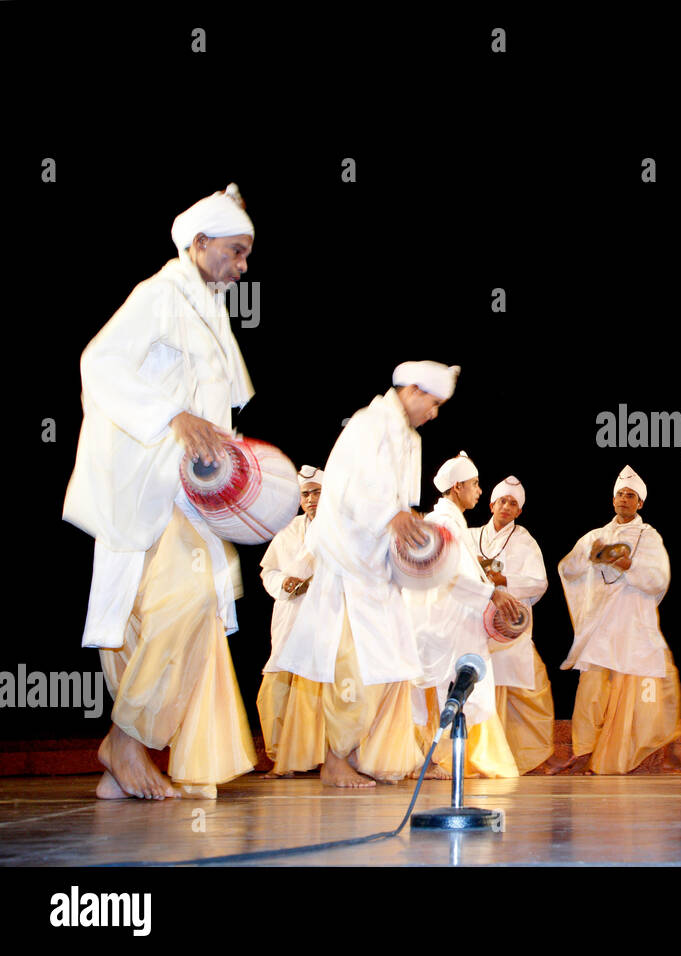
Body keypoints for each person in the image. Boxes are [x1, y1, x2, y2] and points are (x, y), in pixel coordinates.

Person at [63, 183, 259, 800]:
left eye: (246, 254)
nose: (242, 266)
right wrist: (171, 417)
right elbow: (99, 363)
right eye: (235, 251)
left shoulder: (208, 311)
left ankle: (127, 754)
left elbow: (214, 410)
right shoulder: (158, 295)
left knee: (153, 618)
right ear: (199, 244)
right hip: (145, 484)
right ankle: (126, 740)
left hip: (184, 492)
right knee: (185, 601)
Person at [265, 361, 458, 787]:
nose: (434, 413)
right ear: (411, 389)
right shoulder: (369, 425)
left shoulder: (407, 439)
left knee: (386, 667)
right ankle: (335, 761)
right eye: (434, 402)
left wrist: (407, 527)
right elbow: (352, 486)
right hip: (348, 569)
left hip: (377, 572)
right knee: (353, 665)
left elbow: (399, 503)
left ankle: (356, 755)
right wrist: (394, 515)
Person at [551, 466, 681, 774]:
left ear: (640, 503)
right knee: (591, 691)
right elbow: (566, 569)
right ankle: (584, 752)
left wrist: (628, 565)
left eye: (631, 495)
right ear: (613, 500)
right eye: (620, 494)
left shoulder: (648, 537)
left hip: (635, 624)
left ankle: (661, 746)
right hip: (601, 626)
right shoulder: (594, 536)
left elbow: (659, 579)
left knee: (657, 683)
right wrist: (588, 555)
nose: (624, 499)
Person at [406, 453, 523, 779]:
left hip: (453, 620)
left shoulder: (451, 520)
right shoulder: (444, 523)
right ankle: (435, 760)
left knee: (462, 688)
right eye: (474, 484)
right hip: (443, 622)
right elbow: (449, 573)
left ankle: (445, 760)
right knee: (452, 689)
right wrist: (492, 593)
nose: (479, 490)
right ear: (457, 487)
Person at [468, 476, 556, 774]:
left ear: (519, 512)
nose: (506, 506)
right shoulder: (470, 536)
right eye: (502, 501)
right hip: (473, 626)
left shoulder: (524, 541)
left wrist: (504, 581)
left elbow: (539, 583)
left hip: (510, 630)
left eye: (513, 503)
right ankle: (477, 757)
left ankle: (531, 757)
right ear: (491, 504)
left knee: (531, 692)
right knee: (478, 692)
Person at [255, 465, 326, 778]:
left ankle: (324, 757)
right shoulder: (289, 529)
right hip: (290, 615)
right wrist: (282, 582)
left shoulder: (339, 528)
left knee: (320, 689)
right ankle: (282, 757)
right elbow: (267, 570)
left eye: (316, 492)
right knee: (275, 690)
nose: (310, 499)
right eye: (305, 494)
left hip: (324, 618)